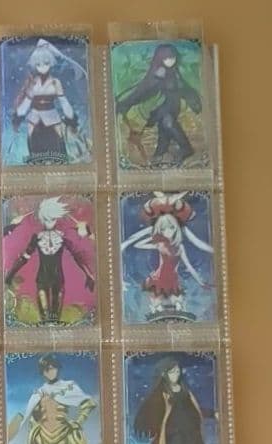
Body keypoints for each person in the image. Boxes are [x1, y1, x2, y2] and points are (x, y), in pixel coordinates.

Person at [120, 191, 214, 319]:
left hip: (173, 279)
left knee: (178, 304)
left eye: (171, 228)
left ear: (176, 229)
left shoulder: (179, 247)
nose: (168, 231)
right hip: (159, 278)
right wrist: (155, 238)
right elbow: (138, 244)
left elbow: (189, 266)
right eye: (163, 229)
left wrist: (201, 281)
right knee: (157, 306)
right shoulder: (160, 245)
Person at [7, 354, 98, 444]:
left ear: (57, 368)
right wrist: (35, 416)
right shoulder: (39, 393)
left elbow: (88, 403)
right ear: (43, 372)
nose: (50, 371)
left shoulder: (69, 386)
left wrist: (79, 421)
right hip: (43, 437)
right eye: (46, 369)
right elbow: (27, 415)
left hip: (65, 434)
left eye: (53, 368)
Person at [4, 196, 95, 324]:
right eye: (47, 219)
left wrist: (89, 275)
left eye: (52, 219)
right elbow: (24, 258)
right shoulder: (37, 237)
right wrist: (10, 274)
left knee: (55, 317)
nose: (49, 222)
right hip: (42, 279)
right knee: (44, 318)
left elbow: (77, 257)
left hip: (58, 279)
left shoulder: (63, 237)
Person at [115, 43, 202, 165]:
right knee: (165, 125)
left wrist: (193, 100)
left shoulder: (174, 72)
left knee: (166, 124)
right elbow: (142, 92)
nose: (171, 61)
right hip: (163, 106)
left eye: (173, 57)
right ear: (160, 58)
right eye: (167, 58)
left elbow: (183, 87)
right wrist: (125, 103)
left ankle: (183, 148)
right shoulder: (158, 74)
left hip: (172, 106)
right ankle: (162, 152)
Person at [133, 356, 210, 444]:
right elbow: (150, 409)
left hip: (190, 430)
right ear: (164, 374)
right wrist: (147, 423)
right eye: (172, 372)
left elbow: (195, 408)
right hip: (172, 432)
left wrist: (212, 413)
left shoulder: (185, 391)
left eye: (178, 371)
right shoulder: (161, 393)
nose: (176, 375)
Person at [11, 38, 87, 164]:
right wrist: (18, 118)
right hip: (34, 121)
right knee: (35, 152)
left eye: (46, 63)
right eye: (38, 64)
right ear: (34, 64)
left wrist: (71, 119)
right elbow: (26, 103)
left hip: (52, 119)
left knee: (57, 149)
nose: (42, 67)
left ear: (50, 63)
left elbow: (64, 102)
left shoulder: (55, 83)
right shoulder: (32, 83)